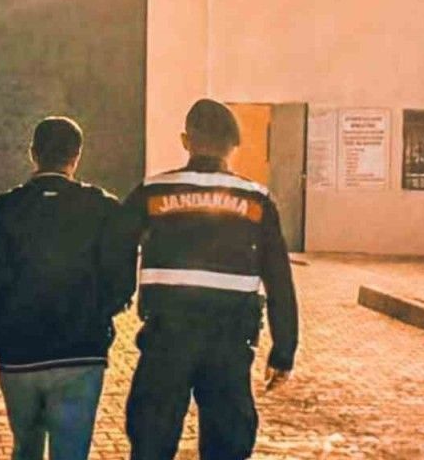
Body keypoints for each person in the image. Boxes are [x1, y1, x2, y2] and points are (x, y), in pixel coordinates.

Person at [119, 98, 300, 460]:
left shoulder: (152, 192)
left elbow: (116, 250)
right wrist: (284, 350)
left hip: (165, 341)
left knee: (151, 441)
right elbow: (279, 280)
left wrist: (117, 297)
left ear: (186, 141)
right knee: (227, 445)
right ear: (234, 146)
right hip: (229, 344)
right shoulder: (257, 201)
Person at [0, 116, 128, 460]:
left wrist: (8, 312)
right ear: (77, 155)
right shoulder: (104, 208)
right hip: (81, 351)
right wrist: (97, 314)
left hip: (18, 351)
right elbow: (121, 283)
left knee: (26, 449)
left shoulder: (1, 210)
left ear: (33, 153)